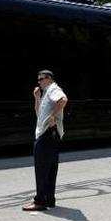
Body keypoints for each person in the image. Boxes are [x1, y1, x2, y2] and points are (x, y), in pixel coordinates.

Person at [23, 70, 68, 212]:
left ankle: (40, 201)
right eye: (38, 79)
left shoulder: (53, 89)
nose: (39, 81)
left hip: (47, 134)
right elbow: (39, 114)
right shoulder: (46, 93)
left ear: (48, 79)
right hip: (48, 134)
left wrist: (53, 117)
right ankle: (49, 199)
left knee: (42, 168)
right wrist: (37, 97)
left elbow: (64, 100)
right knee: (49, 168)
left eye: (41, 79)